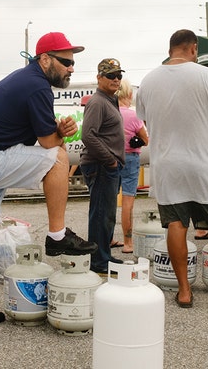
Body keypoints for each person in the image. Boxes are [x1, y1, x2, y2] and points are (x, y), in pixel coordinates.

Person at [0, 32, 97, 331]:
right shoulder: (36, 86)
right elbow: (48, 144)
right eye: (66, 62)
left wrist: (58, 129)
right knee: (58, 156)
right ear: (44, 59)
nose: (71, 68)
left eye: (73, 63)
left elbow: (40, 134)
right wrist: (62, 134)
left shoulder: (24, 80)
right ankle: (57, 235)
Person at [137, 29, 208, 312]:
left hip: (167, 166)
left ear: (171, 48)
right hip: (205, 164)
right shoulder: (207, 75)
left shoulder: (148, 80)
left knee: (176, 226)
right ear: (193, 49)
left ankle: (185, 292)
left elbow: (145, 121)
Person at [80, 58, 127, 274]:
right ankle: (99, 261)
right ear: (99, 78)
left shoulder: (110, 100)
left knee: (107, 215)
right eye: (111, 75)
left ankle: (104, 256)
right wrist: (109, 159)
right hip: (101, 165)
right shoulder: (97, 102)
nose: (116, 79)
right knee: (100, 214)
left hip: (108, 165)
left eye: (119, 75)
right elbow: (88, 135)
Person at [116, 78, 148, 255]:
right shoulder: (133, 115)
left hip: (111, 158)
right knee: (127, 201)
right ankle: (128, 243)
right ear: (129, 94)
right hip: (130, 158)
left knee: (108, 201)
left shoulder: (109, 111)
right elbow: (145, 138)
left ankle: (107, 238)